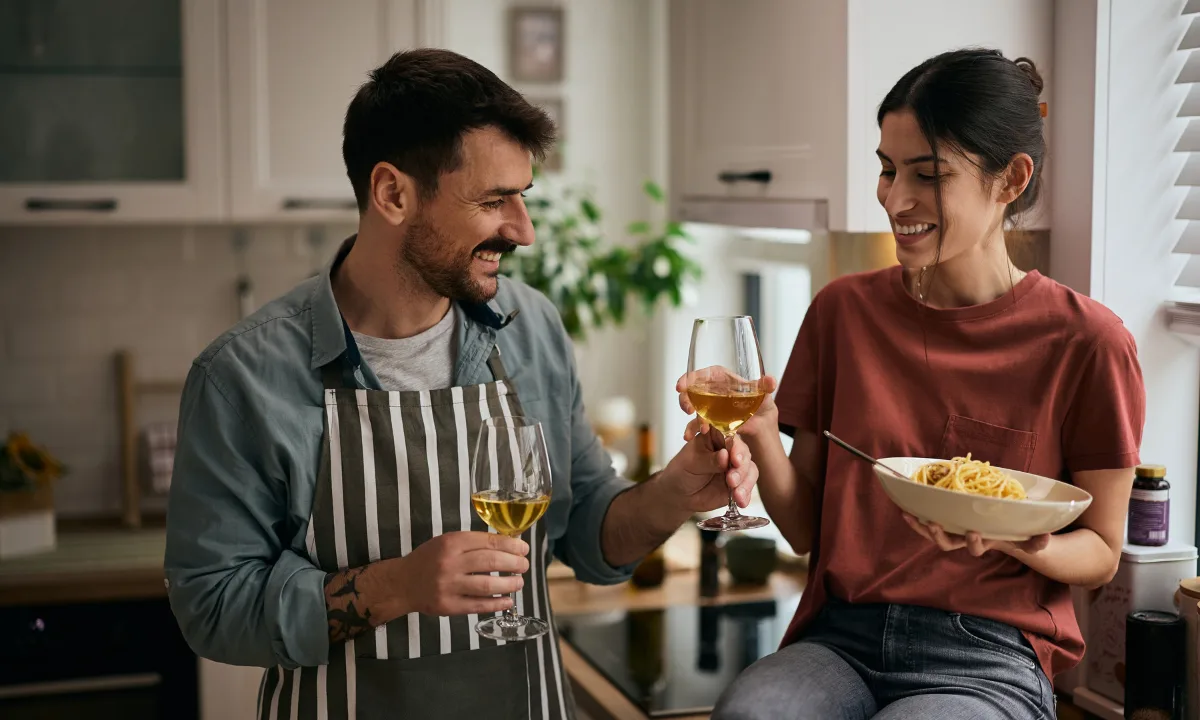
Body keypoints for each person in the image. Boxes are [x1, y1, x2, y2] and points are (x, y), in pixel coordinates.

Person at [164, 48, 759, 720]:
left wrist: (674, 494)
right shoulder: (243, 376)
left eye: (523, 198)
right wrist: (398, 585)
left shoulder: (529, 328)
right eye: (494, 200)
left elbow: (590, 530)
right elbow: (211, 609)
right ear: (393, 193)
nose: (524, 230)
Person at [680, 49, 1145, 720]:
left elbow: (1101, 553)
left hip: (988, 655)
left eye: (928, 174)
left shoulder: (1089, 344)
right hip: (840, 637)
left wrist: (1015, 537)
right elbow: (807, 529)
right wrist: (759, 430)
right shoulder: (844, 312)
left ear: (1010, 180)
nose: (896, 199)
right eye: (887, 169)